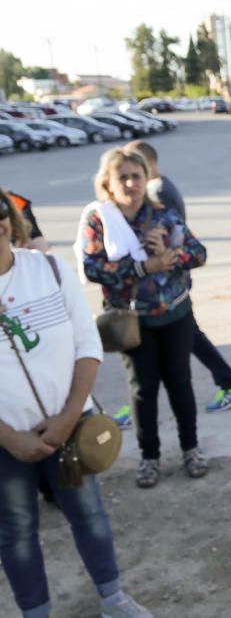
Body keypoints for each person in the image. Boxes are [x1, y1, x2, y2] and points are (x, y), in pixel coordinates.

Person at [0, 188, 153, 618]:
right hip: (6, 444)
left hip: (68, 427)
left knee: (88, 515)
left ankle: (113, 600)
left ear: (9, 219)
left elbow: (87, 345)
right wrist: (9, 437)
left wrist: (69, 416)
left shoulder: (47, 269)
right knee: (16, 533)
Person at [77, 148, 208, 489]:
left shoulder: (162, 215)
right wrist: (141, 267)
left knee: (180, 384)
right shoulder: (100, 220)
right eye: (124, 177)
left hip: (175, 313)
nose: (132, 183)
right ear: (108, 182)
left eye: (137, 175)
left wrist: (170, 252)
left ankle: (190, 450)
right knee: (143, 391)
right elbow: (92, 268)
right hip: (132, 322)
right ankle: (149, 458)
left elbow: (198, 253)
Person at [122, 140, 231, 413]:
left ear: (147, 166)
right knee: (190, 336)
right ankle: (229, 383)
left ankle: (229, 384)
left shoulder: (160, 195)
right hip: (168, 283)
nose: (130, 182)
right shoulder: (161, 187)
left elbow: (179, 243)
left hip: (169, 284)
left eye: (135, 172)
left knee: (183, 340)